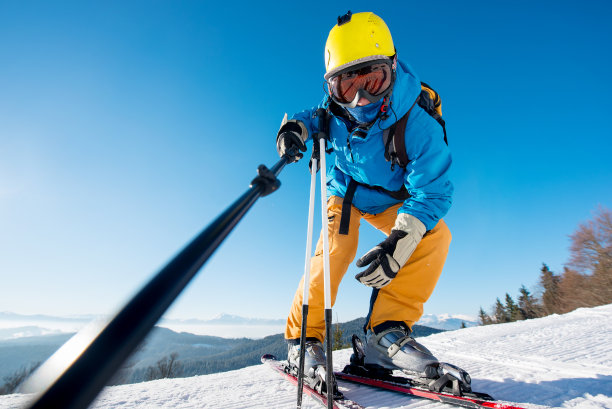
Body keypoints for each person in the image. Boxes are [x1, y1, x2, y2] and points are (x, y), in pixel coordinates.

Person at [276, 11, 453, 389]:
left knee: (435, 238)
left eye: (372, 80)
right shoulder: (334, 111)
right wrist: (297, 129)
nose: (359, 99)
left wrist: (398, 245)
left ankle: (384, 336)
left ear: (391, 68)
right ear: (332, 88)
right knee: (337, 248)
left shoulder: (418, 121)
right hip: (347, 192)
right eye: (346, 87)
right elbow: (313, 117)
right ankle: (303, 339)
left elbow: (433, 190)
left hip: (393, 199)